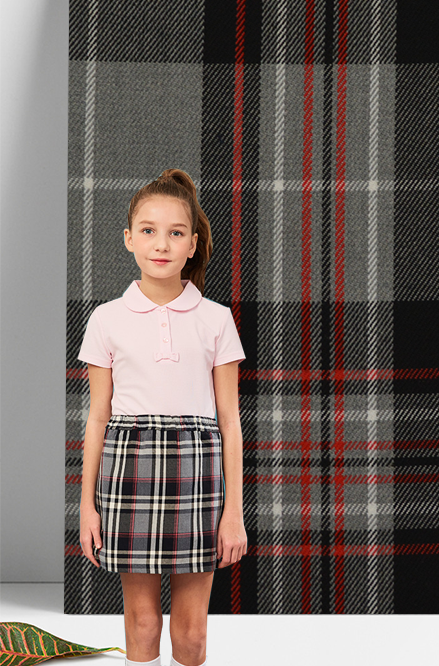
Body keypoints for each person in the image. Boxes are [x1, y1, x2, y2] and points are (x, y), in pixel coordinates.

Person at [78, 168, 248, 666]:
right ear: (129, 238)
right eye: (148, 230)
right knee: (143, 624)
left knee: (191, 634)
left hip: (198, 473)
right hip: (127, 470)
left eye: (176, 233)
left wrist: (233, 513)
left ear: (192, 244)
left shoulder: (216, 318)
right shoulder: (106, 319)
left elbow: (230, 421)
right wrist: (87, 507)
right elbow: (97, 418)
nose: (161, 244)